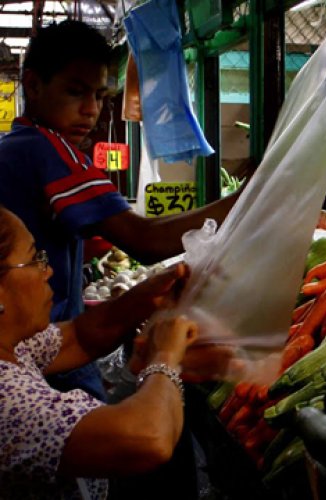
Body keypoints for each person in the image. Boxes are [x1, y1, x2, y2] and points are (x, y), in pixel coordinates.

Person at [0, 20, 243, 399]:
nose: (91, 110)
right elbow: (146, 242)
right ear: (33, 85)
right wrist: (249, 196)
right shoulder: (46, 149)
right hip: (49, 355)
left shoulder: (13, 146)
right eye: (75, 92)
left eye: (99, 95)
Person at [0, 204, 236, 499]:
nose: (47, 271)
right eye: (34, 259)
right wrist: (164, 357)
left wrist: (150, 293)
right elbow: (148, 440)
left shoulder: (14, 346)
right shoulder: (7, 400)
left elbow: (79, 337)